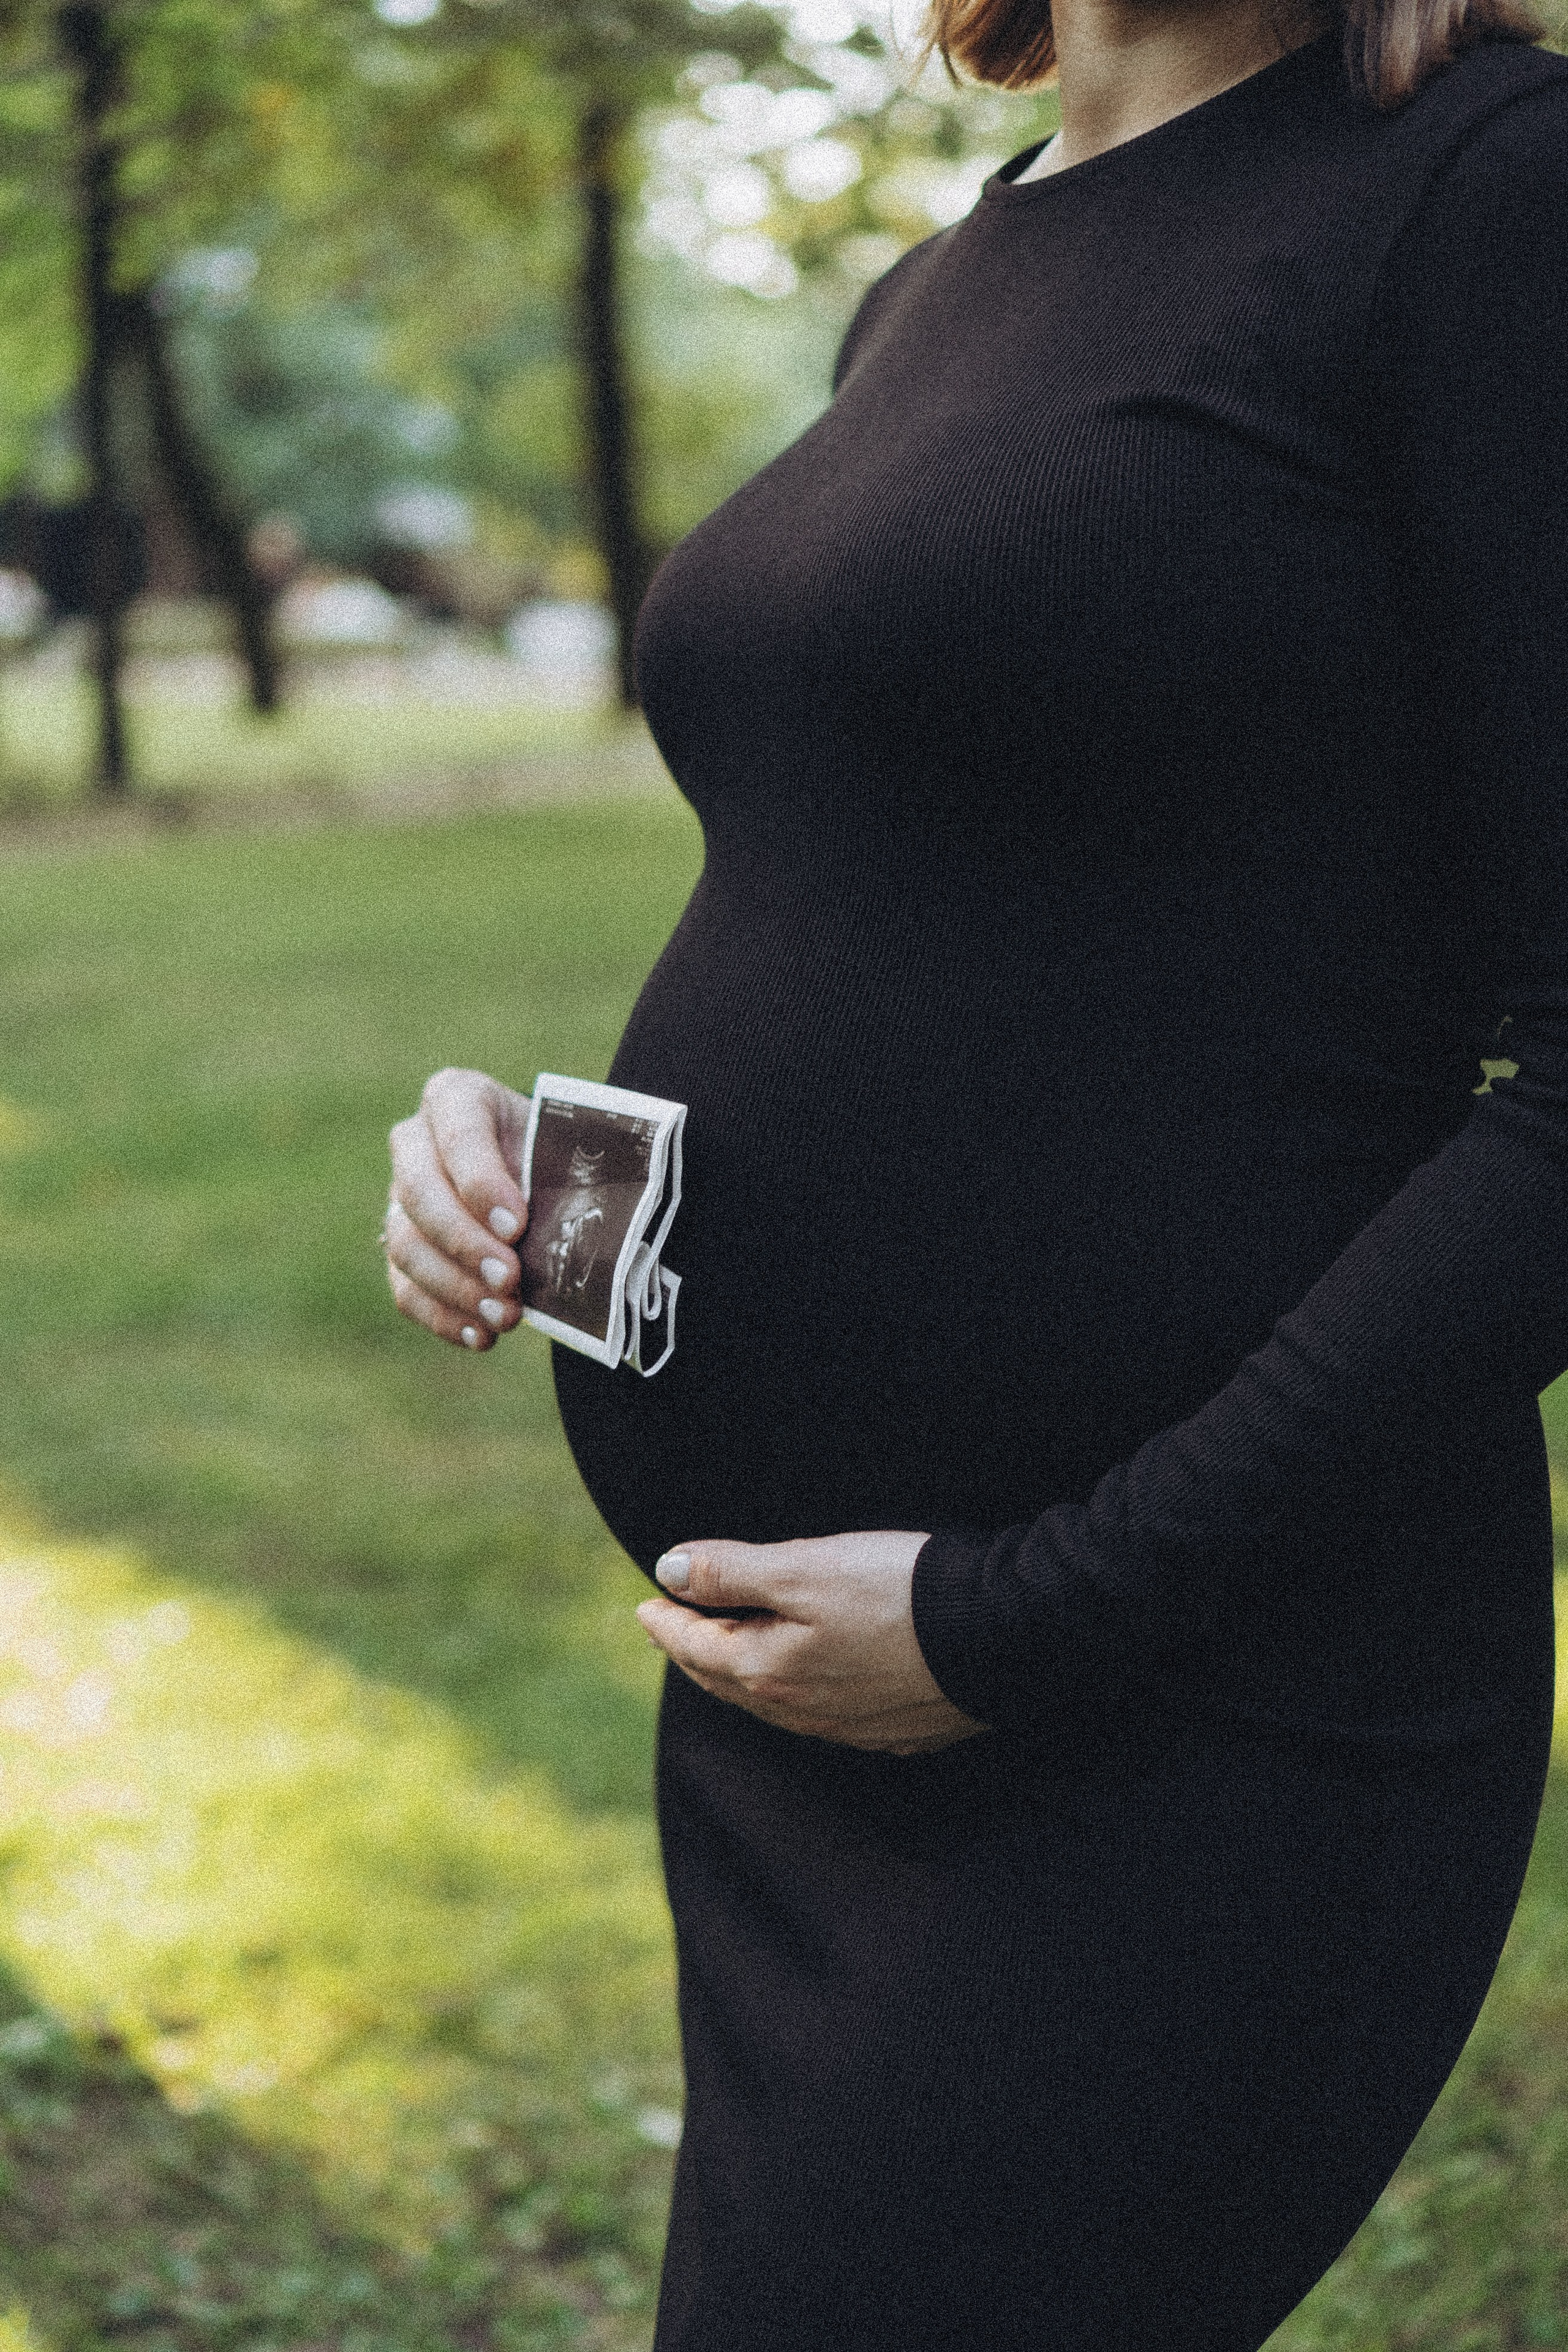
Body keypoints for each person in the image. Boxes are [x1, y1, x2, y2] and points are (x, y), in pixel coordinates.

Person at [382, 0, 1568, 2331]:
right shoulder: (944, 276)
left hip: (1193, 1695)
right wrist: (538, 1164)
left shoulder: (1495, 194)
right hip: (798, 1711)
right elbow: (908, 889)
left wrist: (1017, 1620)